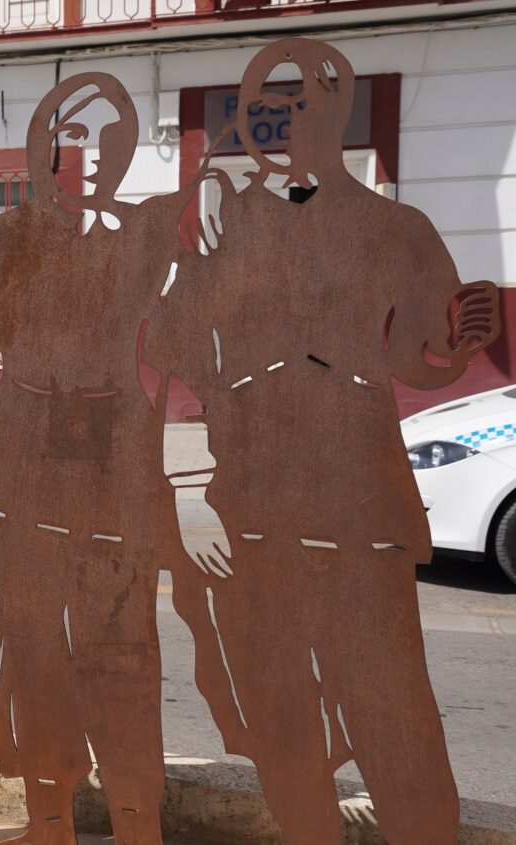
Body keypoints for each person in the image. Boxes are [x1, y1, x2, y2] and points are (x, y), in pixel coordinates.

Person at [146, 38, 500, 845]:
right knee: (277, 719)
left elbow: (426, 360)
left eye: (295, 102)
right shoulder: (219, 229)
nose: (274, 121)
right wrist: (200, 210)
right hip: (251, 507)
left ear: (337, 111)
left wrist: (464, 345)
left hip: (359, 507)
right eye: (259, 107)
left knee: (392, 711)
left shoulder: (396, 229)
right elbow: (168, 355)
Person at [0, 72, 195, 845]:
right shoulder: (1, 239)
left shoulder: (149, 238)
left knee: (127, 664)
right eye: (76, 138)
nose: (93, 156)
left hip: (114, 480)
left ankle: (140, 825)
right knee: (32, 664)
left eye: (112, 140)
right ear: (44, 145)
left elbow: (194, 345)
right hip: (15, 480)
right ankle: (49, 825)